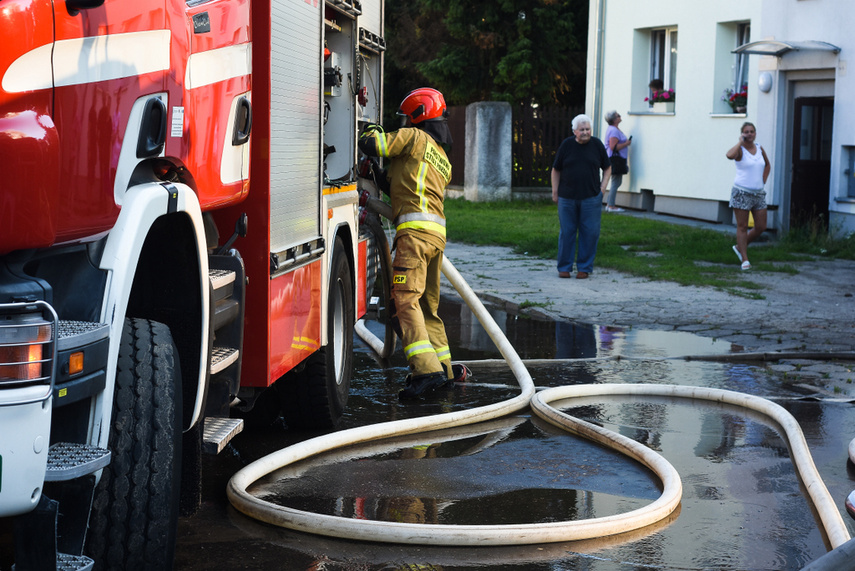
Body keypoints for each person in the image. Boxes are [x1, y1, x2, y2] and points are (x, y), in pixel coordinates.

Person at [358, 88, 469, 399]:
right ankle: (444, 369)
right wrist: (378, 176)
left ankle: (425, 370)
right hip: (436, 238)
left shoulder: (412, 137)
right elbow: (404, 188)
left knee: (405, 301)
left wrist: (371, 126)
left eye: (407, 118)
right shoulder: (441, 157)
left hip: (415, 237)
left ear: (417, 117)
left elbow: (373, 144)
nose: (404, 123)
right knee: (427, 307)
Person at [551, 114, 611, 280]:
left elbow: (607, 168)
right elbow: (556, 169)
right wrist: (555, 191)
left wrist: (603, 188)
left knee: (590, 232)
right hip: (567, 197)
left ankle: (584, 268)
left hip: (591, 197)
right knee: (567, 231)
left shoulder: (597, 145)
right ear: (574, 131)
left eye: (588, 129)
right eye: (582, 130)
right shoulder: (567, 145)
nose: (585, 132)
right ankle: (564, 267)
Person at [725, 122, 771, 270]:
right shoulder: (740, 150)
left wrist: (762, 180)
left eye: (752, 131)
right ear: (742, 133)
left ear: (755, 133)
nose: (749, 134)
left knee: (761, 226)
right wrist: (740, 142)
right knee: (743, 226)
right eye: (746, 132)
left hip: (758, 194)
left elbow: (767, 165)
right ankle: (745, 259)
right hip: (741, 192)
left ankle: (739, 247)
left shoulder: (759, 148)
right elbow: (729, 155)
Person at [603, 110, 631, 212]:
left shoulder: (613, 129)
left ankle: (609, 204)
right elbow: (613, 147)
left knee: (616, 182)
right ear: (614, 120)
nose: (620, 116)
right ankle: (611, 206)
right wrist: (626, 143)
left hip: (616, 159)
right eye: (618, 116)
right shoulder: (614, 131)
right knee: (616, 182)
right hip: (616, 160)